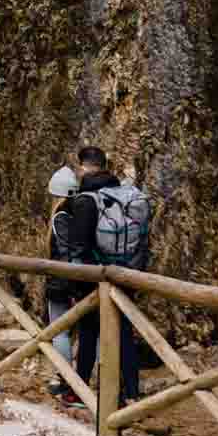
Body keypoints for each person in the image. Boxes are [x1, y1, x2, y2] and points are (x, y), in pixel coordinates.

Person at [67, 146, 145, 407]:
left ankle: (79, 391)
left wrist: (74, 285)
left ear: (83, 167)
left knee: (88, 335)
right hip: (124, 274)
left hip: (94, 280)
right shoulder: (123, 196)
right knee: (124, 333)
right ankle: (132, 392)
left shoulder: (86, 200)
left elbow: (78, 247)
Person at [44, 166, 79, 399]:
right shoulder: (79, 213)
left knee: (60, 332)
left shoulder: (61, 217)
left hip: (61, 283)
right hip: (75, 282)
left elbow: (66, 253)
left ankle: (65, 379)